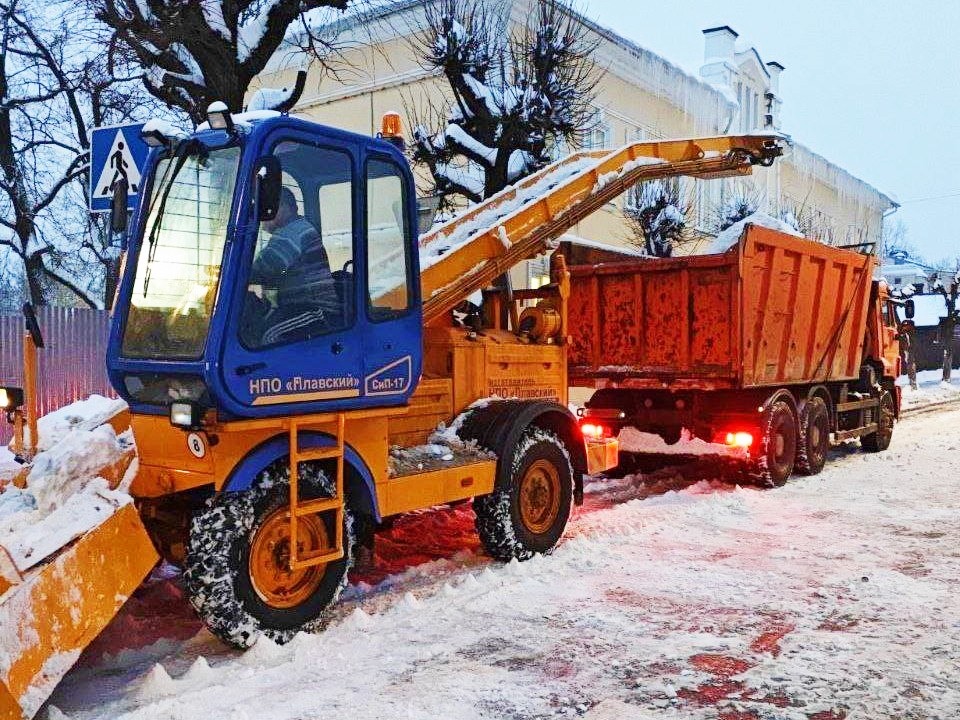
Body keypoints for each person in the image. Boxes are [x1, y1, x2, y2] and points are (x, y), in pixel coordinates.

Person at [245, 187, 340, 346]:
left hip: (315, 310)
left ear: (282, 207)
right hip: (298, 306)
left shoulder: (294, 231)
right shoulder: (295, 229)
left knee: (268, 337)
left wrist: (234, 274)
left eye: (264, 209)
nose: (261, 217)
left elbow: (265, 269)